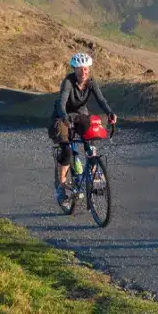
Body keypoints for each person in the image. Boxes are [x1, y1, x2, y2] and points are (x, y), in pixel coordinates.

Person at [50, 52, 117, 203]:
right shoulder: (68, 82)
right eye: (80, 69)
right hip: (62, 116)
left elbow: (101, 100)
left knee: (90, 142)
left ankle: (93, 178)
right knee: (67, 149)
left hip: (80, 115)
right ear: (74, 69)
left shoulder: (91, 82)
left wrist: (110, 113)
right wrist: (65, 118)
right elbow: (61, 103)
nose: (83, 72)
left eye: (86, 69)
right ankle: (61, 186)